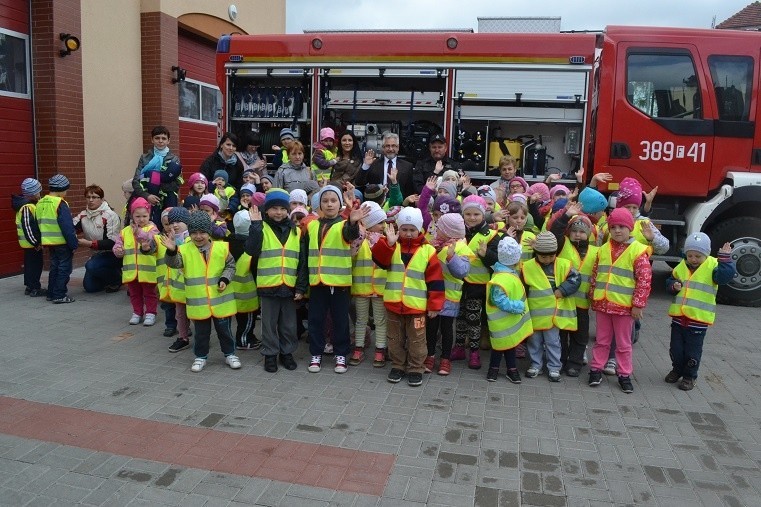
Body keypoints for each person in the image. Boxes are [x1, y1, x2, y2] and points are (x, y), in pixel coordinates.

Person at [161, 211, 242, 373]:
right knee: (201, 333)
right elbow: (174, 264)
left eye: (202, 232)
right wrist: (171, 251)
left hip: (220, 301)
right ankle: (200, 356)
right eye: (194, 233)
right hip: (199, 302)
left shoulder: (221, 248)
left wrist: (225, 279)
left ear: (209, 232)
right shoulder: (183, 250)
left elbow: (231, 266)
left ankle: (230, 354)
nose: (198, 236)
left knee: (225, 331)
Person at [372, 207, 444, 387]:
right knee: (394, 338)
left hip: (417, 307)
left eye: (412, 230)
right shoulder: (391, 245)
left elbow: (435, 280)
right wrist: (388, 243)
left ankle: (416, 368)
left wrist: (435, 305)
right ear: (398, 228)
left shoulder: (428, 251)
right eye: (404, 229)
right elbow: (380, 261)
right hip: (394, 304)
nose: (409, 233)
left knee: (417, 340)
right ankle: (397, 365)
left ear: (419, 229)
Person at [588, 208, 652, 394]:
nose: (617, 230)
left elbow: (644, 280)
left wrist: (638, 305)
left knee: (624, 344)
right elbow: (595, 274)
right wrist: (593, 296)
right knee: (601, 340)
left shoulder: (638, 251)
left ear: (630, 228)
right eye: (613, 227)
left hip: (624, 308)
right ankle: (596, 369)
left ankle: (624, 374)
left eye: (622, 227)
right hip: (603, 305)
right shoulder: (602, 250)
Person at [305, 185, 367, 374]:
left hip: (339, 282)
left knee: (340, 320)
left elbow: (350, 235)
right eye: (325, 201)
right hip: (317, 282)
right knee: (316, 320)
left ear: (340, 203)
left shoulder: (344, 224)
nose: (329, 204)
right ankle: (316, 353)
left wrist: (353, 222)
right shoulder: (312, 225)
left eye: (333, 200)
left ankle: (341, 355)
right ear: (319, 205)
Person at [245, 188, 309, 372]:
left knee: (289, 324)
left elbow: (302, 262)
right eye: (274, 208)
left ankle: (287, 353)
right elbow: (251, 250)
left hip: (289, 286)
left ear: (288, 210)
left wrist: (300, 287)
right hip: (268, 286)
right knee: (268, 324)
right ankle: (270, 354)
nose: (278, 212)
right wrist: (255, 226)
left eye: (282, 208)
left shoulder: (296, 231)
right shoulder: (260, 227)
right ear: (266, 210)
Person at [665, 233, 735, 391]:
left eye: (698, 256)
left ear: (706, 254)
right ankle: (677, 369)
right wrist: (673, 285)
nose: (693, 259)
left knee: (692, 352)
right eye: (690, 255)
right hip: (678, 319)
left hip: (698, 320)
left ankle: (689, 376)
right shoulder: (682, 266)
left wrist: (725, 259)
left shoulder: (713, 266)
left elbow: (725, 277)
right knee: (676, 349)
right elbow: (670, 280)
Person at [522, 231, 580, 382]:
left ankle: (554, 367)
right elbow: (522, 288)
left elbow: (575, 278)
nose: (547, 259)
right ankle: (536, 365)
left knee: (553, 342)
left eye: (550, 256)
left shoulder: (563, 264)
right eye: (543, 256)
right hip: (534, 314)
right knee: (534, 341)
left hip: (553, 316)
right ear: (536, 253)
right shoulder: (527, 266)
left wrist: (563, 290)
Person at [550, 203, 598, 377]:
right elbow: (555, 232)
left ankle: (575, 363)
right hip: (564, 301)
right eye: (575, 231)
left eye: (582, 231)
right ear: (569, 232)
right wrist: (565, 216)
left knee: (580, 336)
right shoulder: (562, 245)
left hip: (583, 303)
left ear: (589, 234)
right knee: (562, 334)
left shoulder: (596, 252)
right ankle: (560, 360)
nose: (578, 234)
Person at [453, 195, 500, 368]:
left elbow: (498, 262)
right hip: (459, 284)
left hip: (478, 286)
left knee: (474, 319)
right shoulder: (458, 232)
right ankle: (458, 348)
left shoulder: (493, 235)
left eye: (476, 214)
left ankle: (474, 353)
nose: (472, 218)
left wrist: (485, 254)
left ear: (483, 215)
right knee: (460, 317)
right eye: (468, 214)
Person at [426, 213, 470, 376]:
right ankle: (430, 355)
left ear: (449, 231)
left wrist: (452, 257)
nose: (436, 229)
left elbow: (462, 271)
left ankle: (445, 359)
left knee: (446, 330)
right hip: (434, 295)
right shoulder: (438, 245)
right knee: (431, 328)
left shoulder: (460, 248)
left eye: (440, 228)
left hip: (450, 297)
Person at [486, 236, 533, 383]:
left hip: (506, 321)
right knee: (500, 346)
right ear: (516, 260)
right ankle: (497, 368)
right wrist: (518, 306)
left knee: (509, 345)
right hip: (503, 320)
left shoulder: (507, 273)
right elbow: (499, 300)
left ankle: (508, 369)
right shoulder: (502, 278)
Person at [349, 201, 389, 367]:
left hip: (380, 288)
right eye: (379, 222)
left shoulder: (386, 240)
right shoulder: (360, 240)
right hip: (362, 288)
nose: (383, 225)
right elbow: (351, 254)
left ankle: (381, 349)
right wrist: (359, 237)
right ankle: (358, 347)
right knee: (361, 320)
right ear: (370, 223)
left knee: (380, 320)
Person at [113, 197, 161, 326]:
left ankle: (151, 313)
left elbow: (151, 240)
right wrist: (118, 250)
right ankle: (137, 312)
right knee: (134, 293)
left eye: (144, 216)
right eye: (137, 216)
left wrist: (138, 232)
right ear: (132, 215)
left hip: (147, 270)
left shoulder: (152, 229)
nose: (141, 219)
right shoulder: (125, 231)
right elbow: (118, 243)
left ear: (149, 215)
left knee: (149, 293)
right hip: (131, 270)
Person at [35, 174, 78, 304]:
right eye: (66, 189)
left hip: (49, 242)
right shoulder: (60, 203)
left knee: (54, 267)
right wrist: (73, 244)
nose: (66, 192)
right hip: (62, 242)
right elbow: (67, 226)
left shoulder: (41, 202)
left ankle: (51, 292)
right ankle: (59, 294)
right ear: (61, 189)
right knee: (64, 268)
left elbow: (37, 223)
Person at [73, 185, 122, 293]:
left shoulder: (110, 215)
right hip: (96, 255)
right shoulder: (83, 215)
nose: (91, 200)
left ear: (102, 199)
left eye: (95, 197)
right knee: (90, 288)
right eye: (88, 197)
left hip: (113, 254)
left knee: (90, 266)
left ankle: (116, 279)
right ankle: (107, 276)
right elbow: (71, 228)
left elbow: (112, 242)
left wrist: (89, 243)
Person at [131, 126, 183, 227]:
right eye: (157, 138)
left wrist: (156, 186)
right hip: (146, 200)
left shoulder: (174, 159)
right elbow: (136, 181)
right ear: (152, 140)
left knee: (168, 227)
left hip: (168, 200)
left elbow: (177, 184)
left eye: (163, 138)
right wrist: (148, 196)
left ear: (168, 141)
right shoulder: (144, 158)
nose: (160, 141)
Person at [160, 207, 193, 352]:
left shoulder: (192, 238)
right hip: (179, 286)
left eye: (179, 221)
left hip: (193, 285)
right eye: (172, 222)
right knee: (180, 314)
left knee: (196, 314)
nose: (175, 225)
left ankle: (202, 337)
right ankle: (183, 337)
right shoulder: (171, 239)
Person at [355, 132, 415, 198]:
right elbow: (359, 182)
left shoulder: (407, 166)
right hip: (377, 203)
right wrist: (366, 165)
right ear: (383, 148)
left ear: (398, 148)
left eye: (393, 146)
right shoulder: (373, 163)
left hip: (399, 204)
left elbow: (409, 191)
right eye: (387, 146)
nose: (390, 149)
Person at [13, 178, 44, 296]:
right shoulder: (27, 207)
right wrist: (36, 243)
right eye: (38, 192)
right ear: (32, 194)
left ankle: (30, 287)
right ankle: (34, 287)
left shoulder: (29, 205)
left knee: (31, 265)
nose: (39, 195)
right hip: (31, 243)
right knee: (34, 266)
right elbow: (28, 227)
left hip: (30, 243)